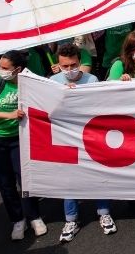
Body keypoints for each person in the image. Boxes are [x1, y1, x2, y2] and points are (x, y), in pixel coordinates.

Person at [49, 44, 117, 242]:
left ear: (80, 62)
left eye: (73, 65)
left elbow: (100, 107)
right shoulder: (53, 82)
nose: (69, 70)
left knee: (97, 174)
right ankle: (71, 219)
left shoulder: (92, 80)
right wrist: (63, 96)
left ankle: (103, 212)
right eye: (65, 67)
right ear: (58, 65)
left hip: (91, 138)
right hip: (66, 139)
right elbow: (47, 110)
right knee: (69, 179)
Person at [0, 50, 45, 240]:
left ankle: (34, 216)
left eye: (5, 68)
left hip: (18, 138)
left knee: (25, 177)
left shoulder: (29, 82)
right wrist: (9, 115)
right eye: (0, 66)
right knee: (4, 182)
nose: (1, 71)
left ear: (18, 69)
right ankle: (17, 219)